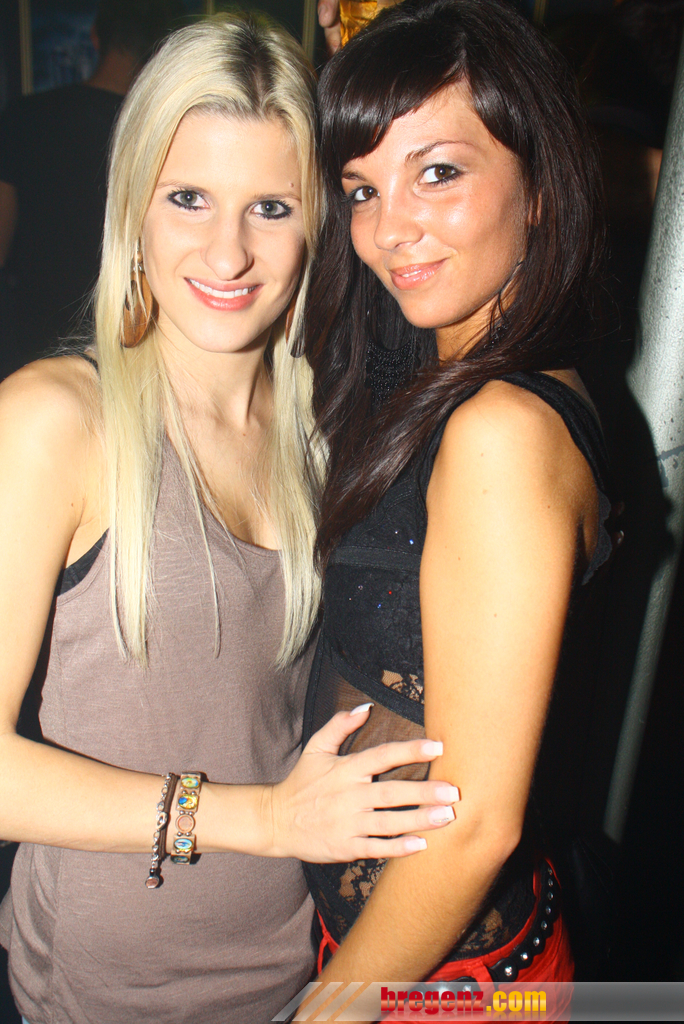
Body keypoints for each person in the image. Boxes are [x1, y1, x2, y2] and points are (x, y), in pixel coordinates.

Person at [0, 15, 460, 1024]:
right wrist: (264, 819)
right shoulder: (54, 422)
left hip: (296, 964)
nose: (228, 250)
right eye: (188, 198)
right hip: (103, 995)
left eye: (271, 207)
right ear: (134, 207)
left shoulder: (319, 434)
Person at [301, 0, 612, 1015]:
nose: (388, 228)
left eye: (437, 172)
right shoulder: (446, 383)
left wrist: (327, 1006)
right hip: (402, 953)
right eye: (362, 188)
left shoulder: (501, 430)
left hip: (443, 987)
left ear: (538, 186)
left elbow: (475, 823)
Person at [0, 0, 184, 379]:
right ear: (157, 48)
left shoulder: (25, 117)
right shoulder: (162, 135)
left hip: (31, 336)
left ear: (96, 37)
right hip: (128, 341)